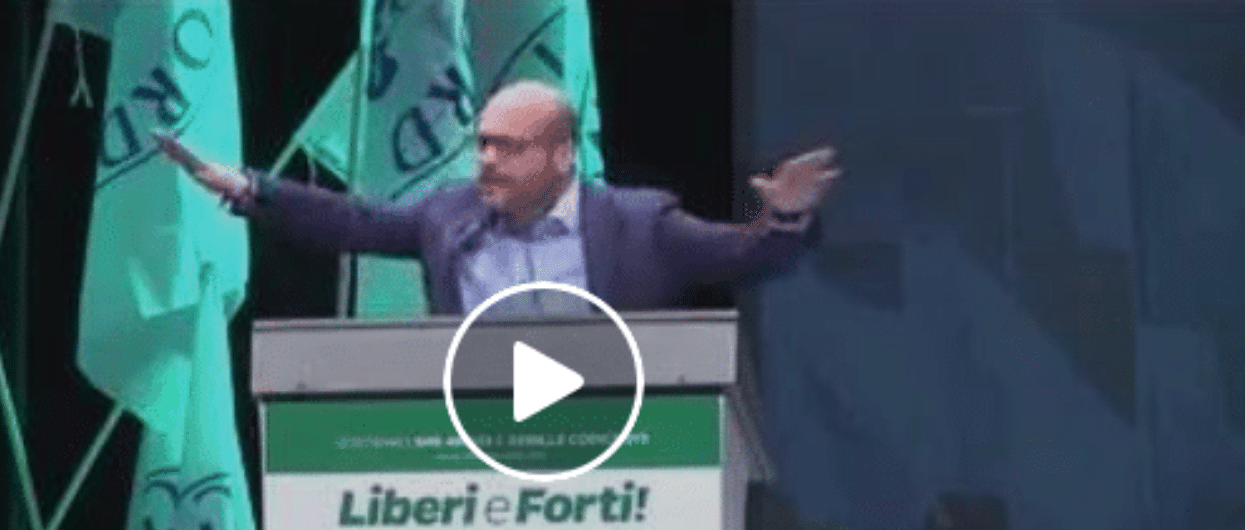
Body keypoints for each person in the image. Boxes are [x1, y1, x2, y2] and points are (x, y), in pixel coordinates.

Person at [156, 80, 841, 316]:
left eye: (509, 147)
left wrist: (784, 213)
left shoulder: (639, 223)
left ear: (563, 156)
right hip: (471, 450)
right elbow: (355, 222)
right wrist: (251, 188)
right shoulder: (448, 216)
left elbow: (747, 255)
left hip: (616, 448)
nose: (486, 160)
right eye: (483, 144)